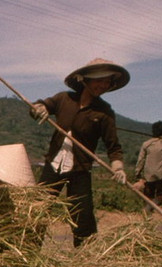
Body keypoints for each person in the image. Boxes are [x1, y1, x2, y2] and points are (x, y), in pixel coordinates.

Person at [29, 58, 129, 246]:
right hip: (53, 166)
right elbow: (42, 106)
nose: (103, 85)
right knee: (38, 209)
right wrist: (39, 109)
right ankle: (28, 250)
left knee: (82, 216)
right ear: (85, 80)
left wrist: (118, 168)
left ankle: (85, 256)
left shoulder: (104, 113)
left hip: (80, 170)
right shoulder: (64, 99)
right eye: (99, 80)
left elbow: (113, 147)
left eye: (107, 82)